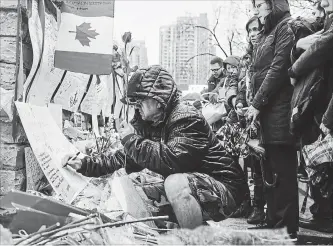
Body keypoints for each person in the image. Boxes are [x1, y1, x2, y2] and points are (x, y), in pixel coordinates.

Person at [64, 65, 248, 229]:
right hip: (199, 185)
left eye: (140, 101)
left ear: (159, 100)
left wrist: (130, 138)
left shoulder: (186, 117)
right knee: (137, 195)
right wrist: (85, 164)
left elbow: (171, 161)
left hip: (226, 189)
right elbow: (124, 158)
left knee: (175, 184)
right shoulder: (152, 122)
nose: (136, 107)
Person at [246, 0, 298, 238]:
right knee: (270, 171)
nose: (257, 10)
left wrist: (257, 102)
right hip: (268, 113)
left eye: (261, 4)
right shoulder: (268, 33)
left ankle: (286, 230)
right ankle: (274, 223)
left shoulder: (286, 28)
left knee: (282, 171)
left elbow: (278, 68)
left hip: (280, 111)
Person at [288, 0, 333, 233]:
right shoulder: (323, 24)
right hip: (318, 104)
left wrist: (294, 69)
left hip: (324, 104)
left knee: (323, 163)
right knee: (320, 162)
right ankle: (322, 212)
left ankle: (324, 214)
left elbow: (320, 47)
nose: (324, 4)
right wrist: (297, 47)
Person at [232, 16, 266, 225]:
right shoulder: (247, 58)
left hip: (264, 117)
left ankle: (261, 207)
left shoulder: (267, 53)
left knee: (263, 167)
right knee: (250, 165)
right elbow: (242, 87)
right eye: (250, 31)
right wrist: (238, 102)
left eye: (256, 29)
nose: (253, 34)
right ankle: (251, 205)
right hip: (248, 120)